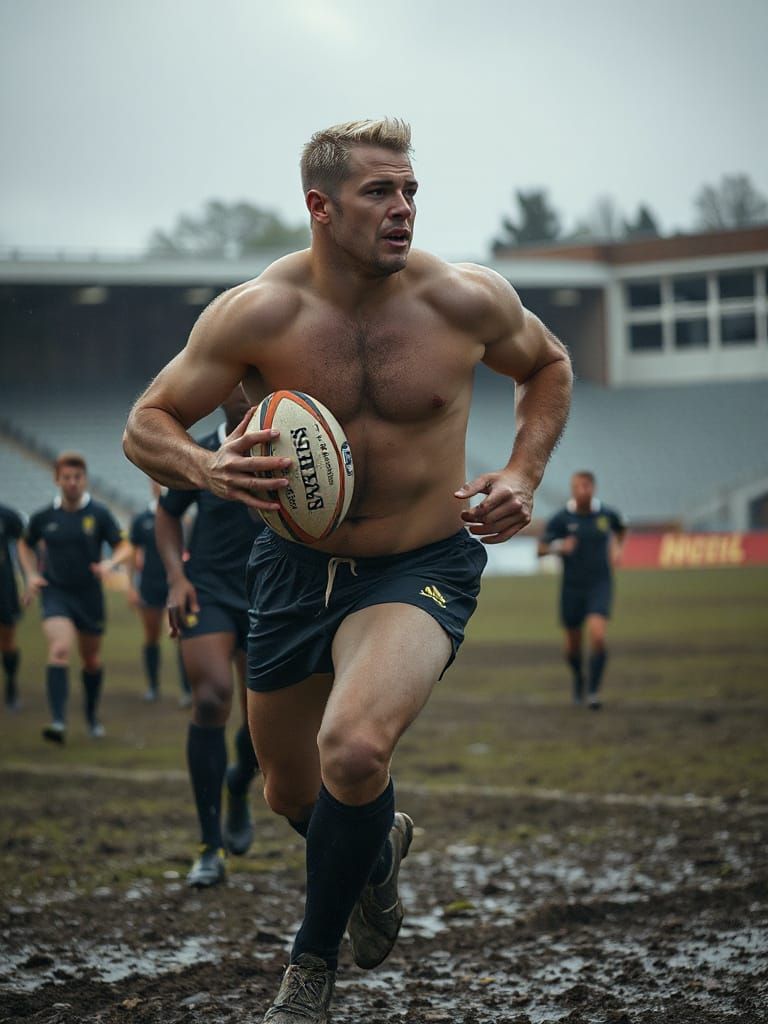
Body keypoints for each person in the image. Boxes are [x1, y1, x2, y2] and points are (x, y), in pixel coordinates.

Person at [124, 118, 572, 1022]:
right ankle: (374, 849)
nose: (403, 209)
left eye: (410, 190)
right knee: (293, 790)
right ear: (320, 208)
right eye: (380, 193)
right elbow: (147, 422)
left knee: (355, 750)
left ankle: (309, 970)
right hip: (290, 573)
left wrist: (521, 474)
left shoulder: (466, 299)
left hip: (422, 565)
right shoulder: (257, 313)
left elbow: (548, 365)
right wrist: (209, 468)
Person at [155, 387, 264, 887]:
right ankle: (209, 845)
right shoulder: (200, 455)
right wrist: (177, 579)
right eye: (232, 381)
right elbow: (167, 515)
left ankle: (239, 784)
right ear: (219, 393)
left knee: (262, 727)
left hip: (272, 597)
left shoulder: (294, 448)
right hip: (209, 594)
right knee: (212, 696)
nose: (240, 390)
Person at [17, 452, 132, 742]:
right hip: (56, 593)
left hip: (89, 596)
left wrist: (109, 563)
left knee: (91, 659)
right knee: (59, 650)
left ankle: (91, 716)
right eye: (66, 478)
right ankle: (58, 722)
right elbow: (24, 545)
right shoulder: (44, 517)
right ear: (57, 480)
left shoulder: (99, 514)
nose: (72, 483)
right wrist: (31, 574)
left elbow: (124, 547)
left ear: (84, 480)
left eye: (77, 477)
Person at [538, 470, 627, 709]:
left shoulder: (606, 515)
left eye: (587, 486)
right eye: (578, 486)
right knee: (572, 647)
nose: (583, 490)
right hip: (572, 587)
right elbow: (541, 550)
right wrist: (559, 546)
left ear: (593, 488)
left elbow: (620, 529)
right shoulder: (561, 519)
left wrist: (617, 547)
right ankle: (579, 678)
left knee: (598, 636)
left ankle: (594, 692)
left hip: (600, 584)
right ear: (572, 490)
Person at [128, 477, 191, 704]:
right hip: (149, 586)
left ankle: (187, 690)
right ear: (151, 485)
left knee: (179, 634)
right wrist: (130, 587)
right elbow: (132, 556)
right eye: (156, 481)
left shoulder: (185, 520)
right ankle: (153, 686)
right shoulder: (141, 519)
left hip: (174, 586)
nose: (161, 486)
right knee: (151, 636)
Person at [0, 501, 25, 710]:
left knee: (7, 640)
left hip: (4, 585)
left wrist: (27, 578)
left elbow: (24, 545)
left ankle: (11, 686)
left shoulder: (7, 516)